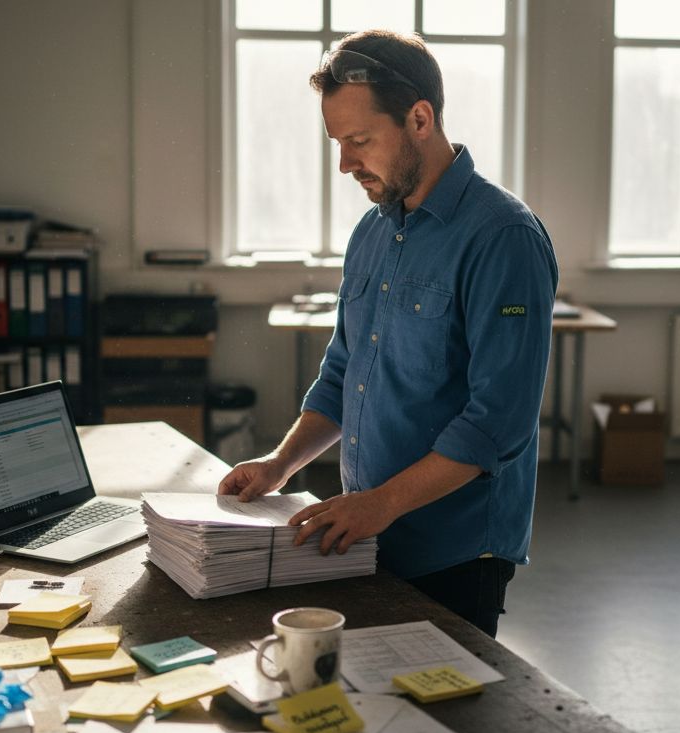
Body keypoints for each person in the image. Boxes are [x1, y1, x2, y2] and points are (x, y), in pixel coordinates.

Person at [218, 29, 557, 638]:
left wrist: (379, 504)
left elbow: (498, 423)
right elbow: (344, 374)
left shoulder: (503, 237)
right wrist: (280, 463)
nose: (345, 163)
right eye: (338, 143)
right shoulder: (372, 233)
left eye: (359, 141)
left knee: (443, 721)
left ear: (420, 118)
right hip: (372, 534)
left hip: (455, 551)